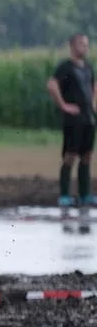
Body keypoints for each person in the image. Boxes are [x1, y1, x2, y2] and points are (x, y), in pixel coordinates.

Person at [46, 33, 96, 207]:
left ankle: (85, 194)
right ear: (73, 46)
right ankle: (65, 194)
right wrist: (64, 105)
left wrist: (93, 106)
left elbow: (93, 86)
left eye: (86, 44)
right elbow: (52, 85)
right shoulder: (65, 67)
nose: (85, 47)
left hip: (88, 118)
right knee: (71, 155)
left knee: (87, 156)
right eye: (82, 44)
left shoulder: (88, 67)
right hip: (74, 119)